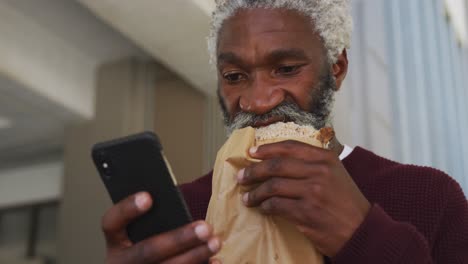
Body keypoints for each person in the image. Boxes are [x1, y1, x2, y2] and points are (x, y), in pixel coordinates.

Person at [101, 0, 468, 263]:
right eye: (234, 77)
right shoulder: (187, 215)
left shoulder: (429, 198)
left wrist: (363, 234)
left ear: (336, 67)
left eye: (287, 68)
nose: (258, 101)